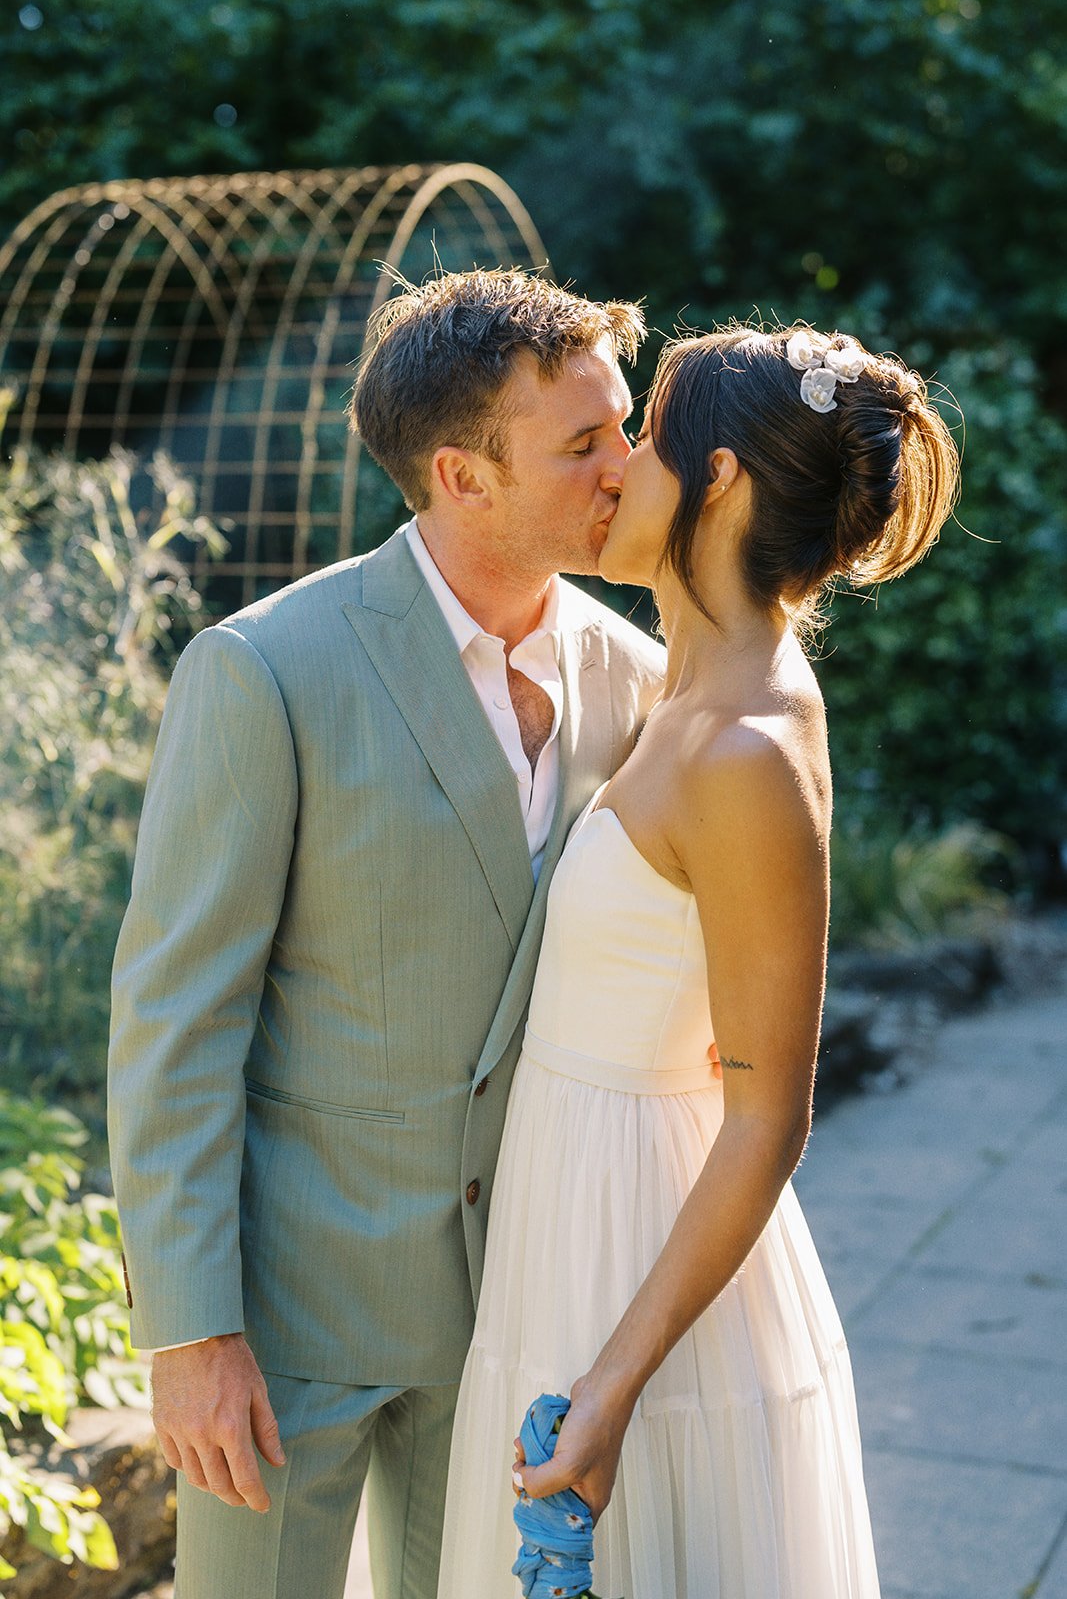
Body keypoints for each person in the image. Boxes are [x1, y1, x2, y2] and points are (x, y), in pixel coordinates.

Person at [106, 267, 666, 1599]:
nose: (625, 466)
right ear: (461, 477)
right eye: (582, 443)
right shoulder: (264, 669)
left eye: (623, 425)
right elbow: (178, 1020)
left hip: (526, 1306)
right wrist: (190, 1334)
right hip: (290, 1318)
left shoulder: (640, 678)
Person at [437, 324, 959, 1597]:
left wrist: (613, 1383)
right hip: (566, 1204)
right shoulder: (678, 689)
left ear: (715, 482)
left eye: (644, 439)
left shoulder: (746, 747)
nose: (613, 468)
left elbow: (767, 1116)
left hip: (636, 1242)